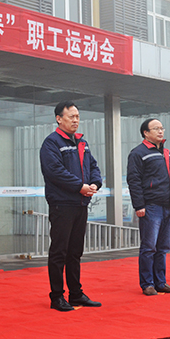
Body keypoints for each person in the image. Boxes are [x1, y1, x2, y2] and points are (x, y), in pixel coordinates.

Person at [40, 101, 103, 312]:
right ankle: (57, 296)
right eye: (71, 117)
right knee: (59, 251)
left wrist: (95, 184)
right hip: (62, 204)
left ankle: (76, 294)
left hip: (80, 203)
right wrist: (79, 186)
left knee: (75, 251)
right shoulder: (52, 143)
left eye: (77, 116)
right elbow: (55, 171)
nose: (76, 120)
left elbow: (93, 166)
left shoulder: (81, 142)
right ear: (59, 119)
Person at [127, 118, 170, 296]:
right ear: (146, 133)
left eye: (161, 128)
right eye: (156, 128)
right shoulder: (138, 153)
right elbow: (134, 180)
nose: (160, 131)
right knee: (149, 247)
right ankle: (147, 284)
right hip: (151, 206)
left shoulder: (167, 153)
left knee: (163, 247)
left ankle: (161, 282)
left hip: (168, 206)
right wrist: (139, 205)